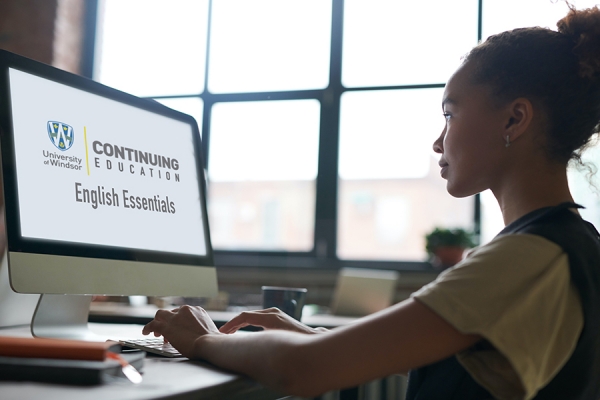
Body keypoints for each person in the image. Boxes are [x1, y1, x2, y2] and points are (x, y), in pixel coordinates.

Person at [143, 5, 600, 399]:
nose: (438, 142)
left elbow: (305, 371)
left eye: (450, 113)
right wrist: (308, 335)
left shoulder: (529, 258)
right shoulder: (572, 246)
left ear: (515, 118)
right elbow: (463, 366)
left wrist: (203, 339)